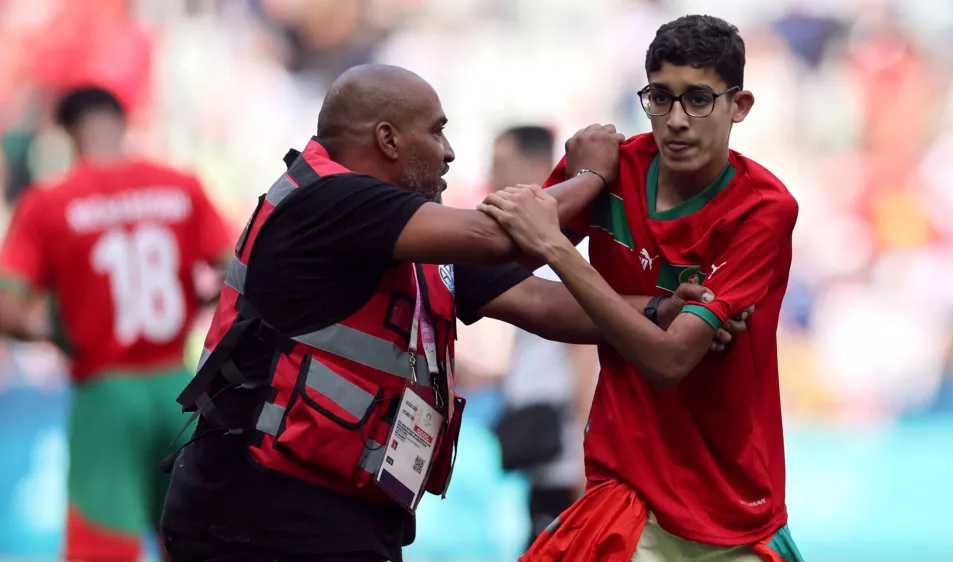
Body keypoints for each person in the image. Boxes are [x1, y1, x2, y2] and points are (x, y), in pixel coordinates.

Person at [159, 64, 747, 562]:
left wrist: (663, 308)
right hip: (255, 508)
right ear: (388, 140)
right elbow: (500, 238)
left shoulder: (418, 239)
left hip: (338, 509)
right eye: (437, 132)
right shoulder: (325, 199)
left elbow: (544, 302)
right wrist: (592, 175)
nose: (449, 151)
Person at [479, 15, 804, 562]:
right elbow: (489, 257)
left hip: (731, 507)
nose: (676, 120)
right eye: (661, 97)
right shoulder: (613, 171)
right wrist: (584, 183)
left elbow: (670, 360)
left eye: (698, 99)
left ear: (739, 106)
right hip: (625, 490)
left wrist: (560, 251)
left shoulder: (763, 209)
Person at [0, 86, 233, 561]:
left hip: (104, 392)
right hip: (181, 390)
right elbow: (239, 267)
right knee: (200, 544)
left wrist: (57, 334)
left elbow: (7, 306)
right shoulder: (180, 184)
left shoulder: (50, 201)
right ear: (124, 121)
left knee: (102, 548)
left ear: (67, 132)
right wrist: (197, 298)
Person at [488, 125, 597, 545]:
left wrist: (588, 464)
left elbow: (585, 357)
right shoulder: (534, 254)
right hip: (545, 457)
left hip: (566, 461)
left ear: (536, 167)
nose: (493, 177)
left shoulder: (560, 257)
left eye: (501, 165)